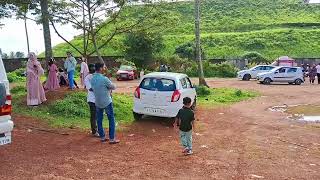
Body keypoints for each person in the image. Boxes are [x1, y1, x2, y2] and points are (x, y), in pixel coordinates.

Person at [91, 63, 120, 144]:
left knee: (99, 120)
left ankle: (103, 137)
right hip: (107, 101)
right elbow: (113, 87)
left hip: (97, 101)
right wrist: (109, 83)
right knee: (111, 119)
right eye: (103, 67)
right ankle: (112, 139)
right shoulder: (104, 79)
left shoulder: (92, 79)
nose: (104, 68)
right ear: (100, 68)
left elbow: (93, 89)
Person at [84, 64, 99, 137]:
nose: (93, 68)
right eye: (91, 67)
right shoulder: (87, 78)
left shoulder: (98, 76)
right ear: (89, 69)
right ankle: (94, 131)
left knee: (99, 115)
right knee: (94, 116)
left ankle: (99, 129)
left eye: (94, 67)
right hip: (92, 100)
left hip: (99, 99)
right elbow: (90, 88)